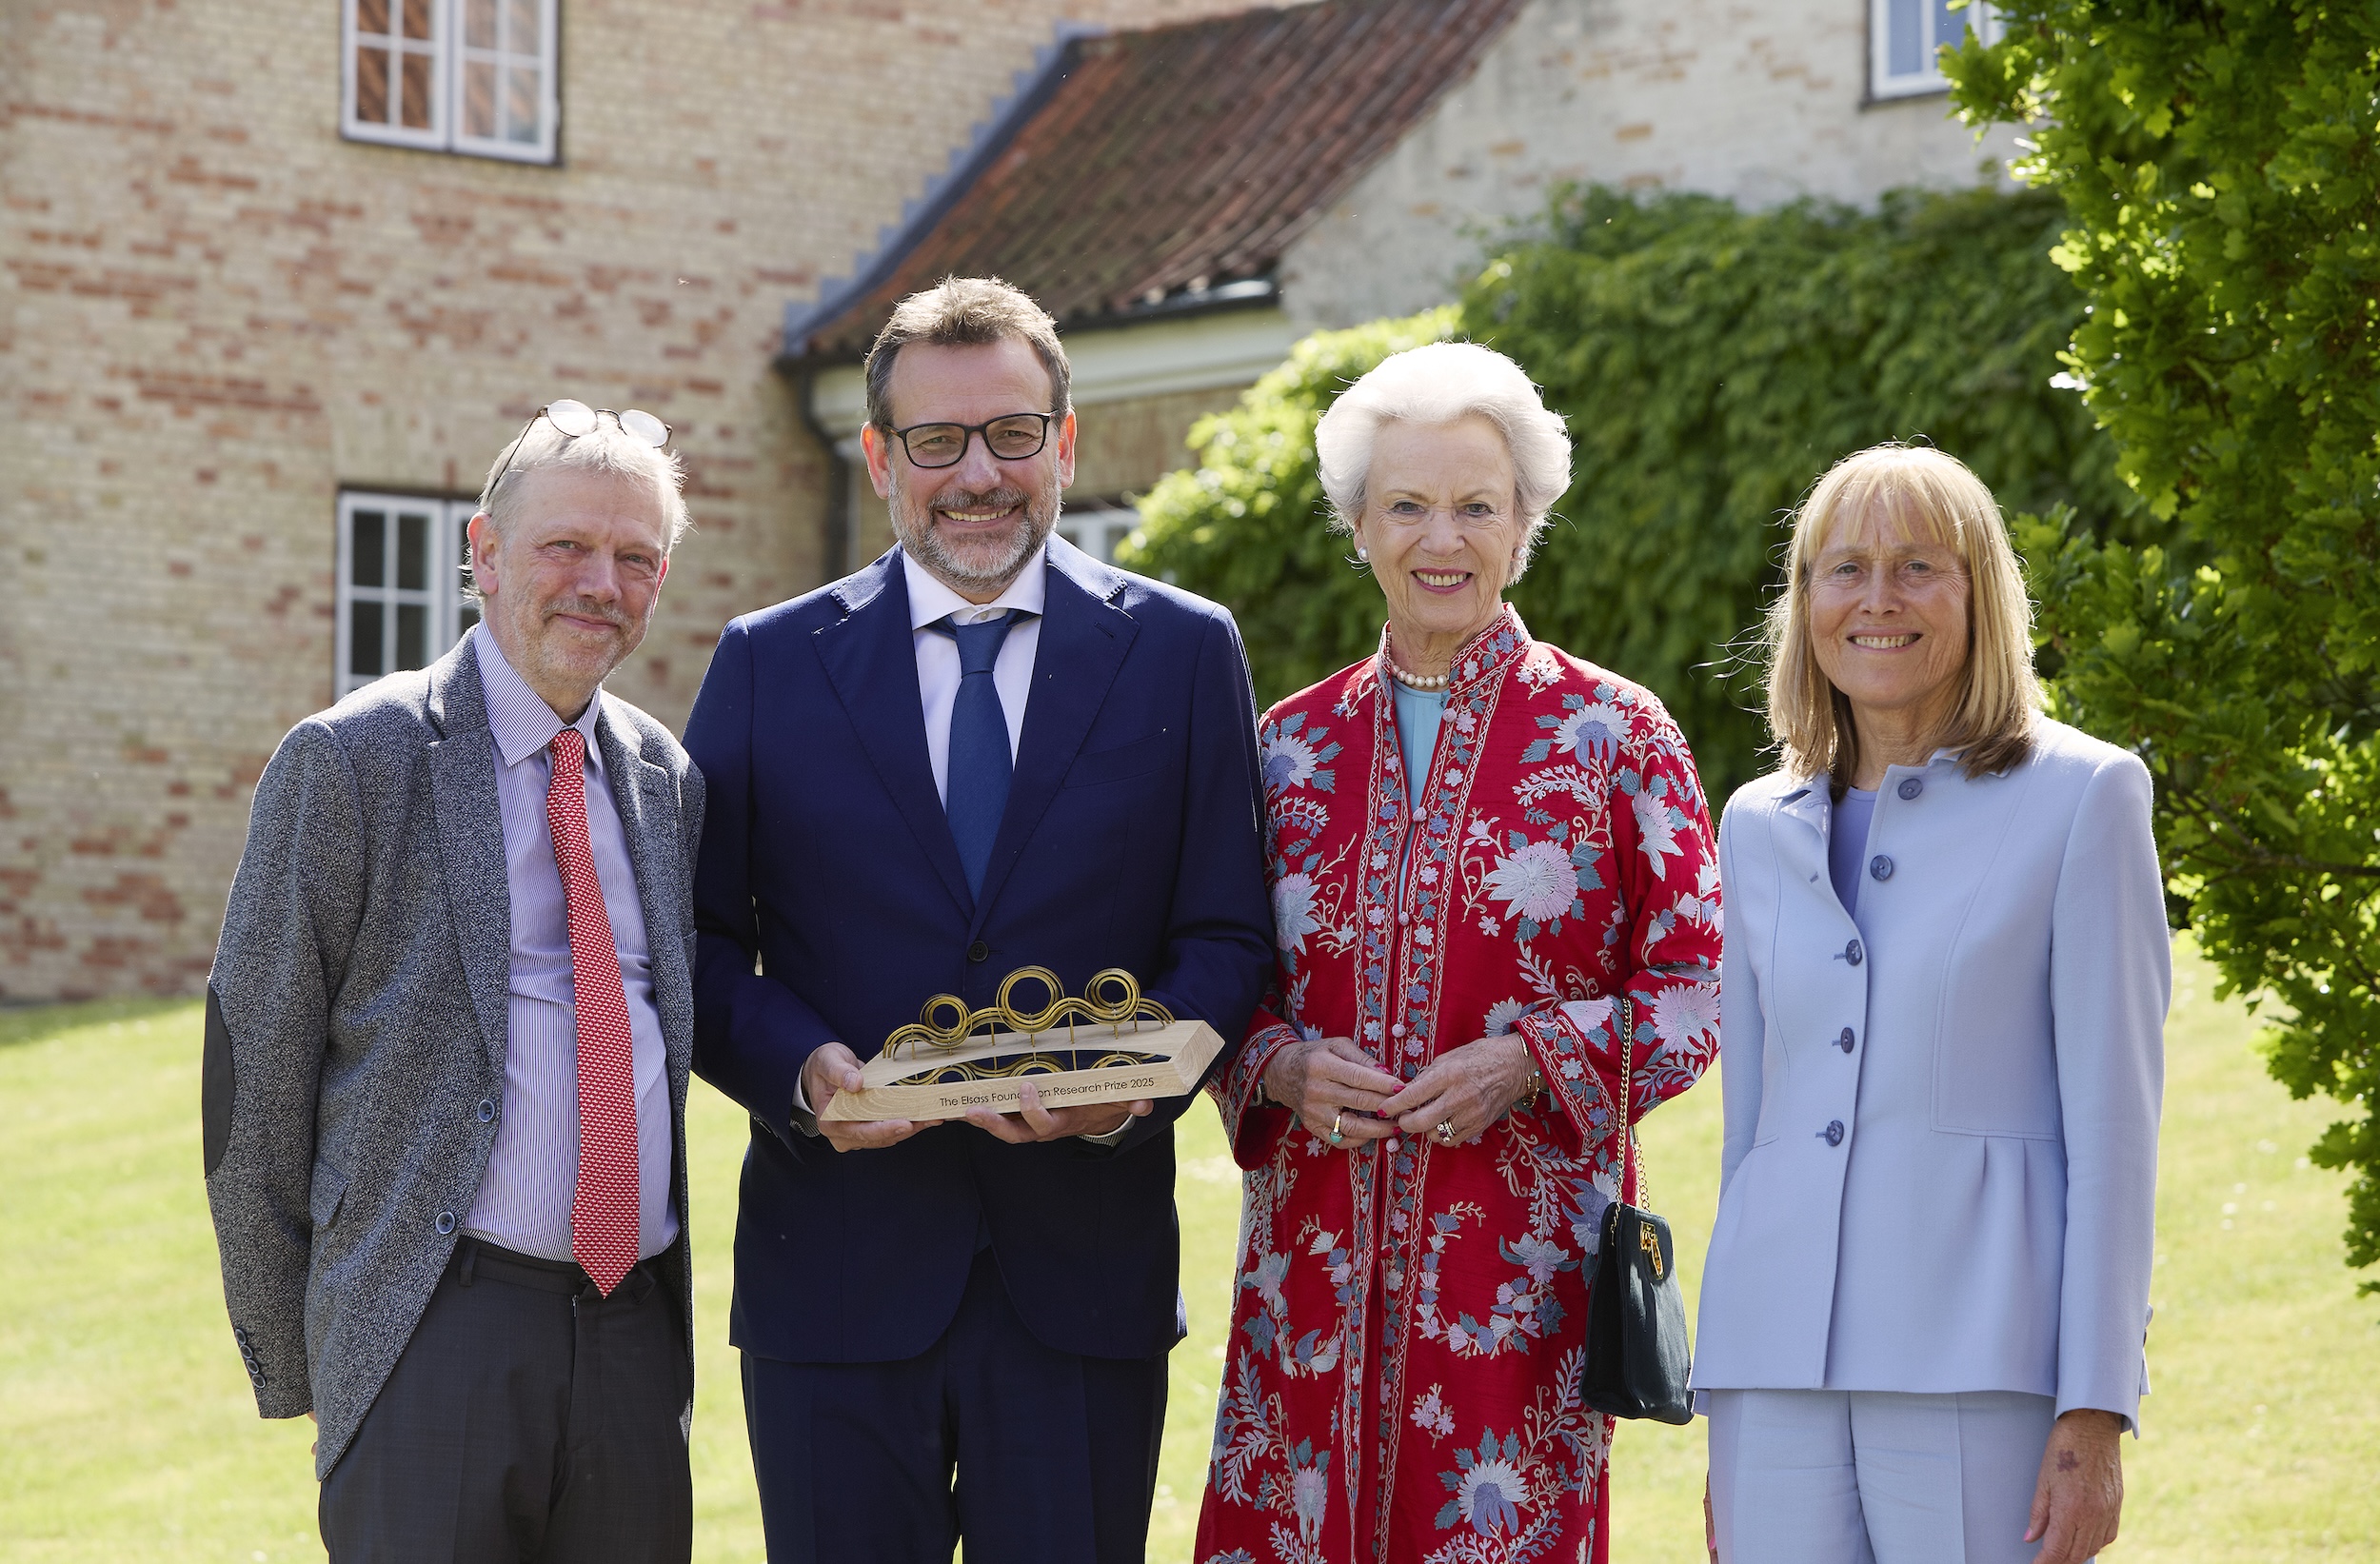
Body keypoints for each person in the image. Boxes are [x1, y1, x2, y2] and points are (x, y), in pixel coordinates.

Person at [684, 276, 1274, 1564]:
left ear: (1064, 442)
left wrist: (1129, 1089)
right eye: (936, 442)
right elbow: (701, 944)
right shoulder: (768, 663)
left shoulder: (1182, 648)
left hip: (1079, 1277)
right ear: (881, 457)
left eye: (1011, 433)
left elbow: (1229, 934)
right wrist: (805, 1072)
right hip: (834, 1273)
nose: (977, 475)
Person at [1194, 342, 1724, 1564]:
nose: (1444, 536)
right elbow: (1221, 975)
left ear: (1526, 520)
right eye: (1408, 505)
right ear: (1360, 525)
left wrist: (1532, 1058)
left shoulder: (1613, 730)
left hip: (1516, 1285)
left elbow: (1700, 984)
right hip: (1309, 1271)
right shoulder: (1284, 747)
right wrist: (1273, 1066)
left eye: (1477, 505)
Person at [202, 401, 705, 1561]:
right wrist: (320, 1349)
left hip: (634, 1336)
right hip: (433, 1325)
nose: (600, 581)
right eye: (565, 545)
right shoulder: (351, 761)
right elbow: (253, 1074)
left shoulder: (665, 777)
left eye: (635, 557)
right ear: (480, 551)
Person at [1692, 445, 2168, 1564]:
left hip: (1978, 1360)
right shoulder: (1756, 821)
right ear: (1804, 599)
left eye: (1917, 566)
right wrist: (1727, 1398)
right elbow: (1752, 1130)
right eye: (1842, 567)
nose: (1876, 598)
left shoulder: (2084, 796)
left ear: (1979, 594)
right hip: (1776, 1377)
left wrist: (2094, 1402)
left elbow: (2114, 1133)